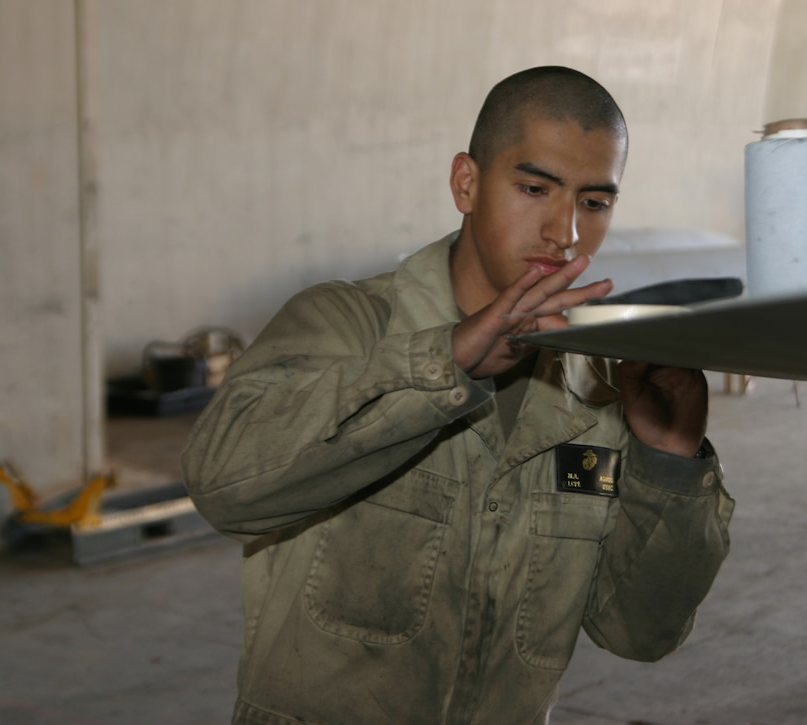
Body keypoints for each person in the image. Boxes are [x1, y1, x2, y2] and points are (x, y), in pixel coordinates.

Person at [182, 65, 734, 725]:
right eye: (535, 188)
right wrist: (443, 365)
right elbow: (223, 483)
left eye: (594, 202)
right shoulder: (348, 327)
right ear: (466, 183)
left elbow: (639, 633)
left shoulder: (597, 399)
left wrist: (668, 460)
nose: (566, 233)